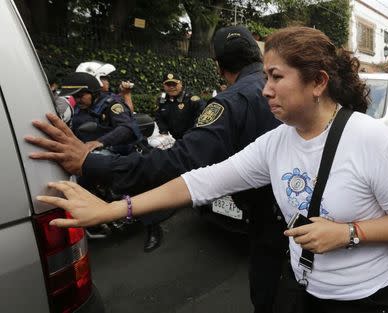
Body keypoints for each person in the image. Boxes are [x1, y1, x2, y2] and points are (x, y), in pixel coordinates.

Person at [36, 26, 388, 313]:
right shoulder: (276, 142)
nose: (264, 89)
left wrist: (348, 233)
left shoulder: (371, 140)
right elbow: (201, 180)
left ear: (317, 82)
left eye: (276, 77)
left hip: (374, 299)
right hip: (306, 295)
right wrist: (111, 209)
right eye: (265, 76)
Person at [27, 26, 288, 313]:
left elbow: (183, 165)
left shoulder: (234, 101)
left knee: (270, 298)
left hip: (271, 227)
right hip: (293, 224)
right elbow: (205, 178)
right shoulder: (279, 94)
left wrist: (91, 163)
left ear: (218, 65)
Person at [61, 72, 142, 155]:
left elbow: (127, 128)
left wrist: (100, 142)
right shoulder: (78, 108)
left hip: (116, 154)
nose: (77, 100)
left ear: (93, 93)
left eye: (80, 96)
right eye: (75, 97)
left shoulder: (112, 105)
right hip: (83, 151)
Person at [155, 73, 205, 140]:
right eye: (168, 84)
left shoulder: (191, 99)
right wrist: (164, 131)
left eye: (174, 84)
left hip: (190, 139)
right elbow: (159, 117)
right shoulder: (162, 99)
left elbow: (204, 114)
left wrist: (193, 134)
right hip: (170, 140)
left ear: (181, 84)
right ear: (164, 86)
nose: (171, 87)